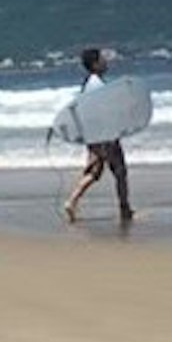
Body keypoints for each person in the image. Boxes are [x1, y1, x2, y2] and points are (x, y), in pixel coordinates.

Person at [61, 44, 134, 228]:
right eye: (102, 59)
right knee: (120, 171)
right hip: (105, 135)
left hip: (94, 135)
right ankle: (124, 209)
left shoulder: (89, 84)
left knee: (94, 172)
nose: (105, 61)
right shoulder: (97, 85)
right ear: (95, 64)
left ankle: (71, 202)